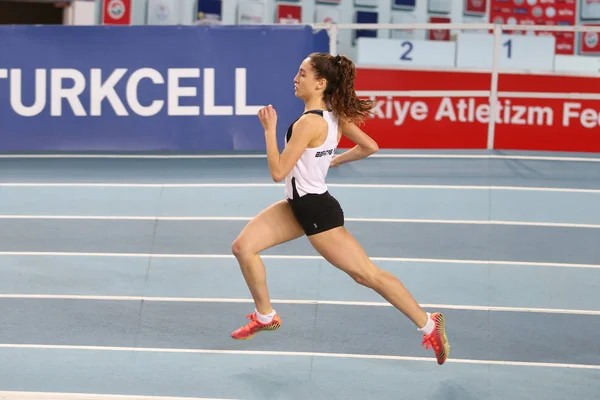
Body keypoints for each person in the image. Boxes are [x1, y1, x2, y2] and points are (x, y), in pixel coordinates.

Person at [230, 52, 450, 365]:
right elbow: (370, 147)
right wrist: (335, 160)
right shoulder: (335, 116)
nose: (296, 78)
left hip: (318, 214)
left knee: (367, 275)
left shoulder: (309, 123)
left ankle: (429, 324)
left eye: (303, 74)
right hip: (299, 206)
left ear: (320, 83)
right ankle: (266, 316)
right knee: (243, 247)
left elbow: (278, 172)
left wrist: (268, 130)